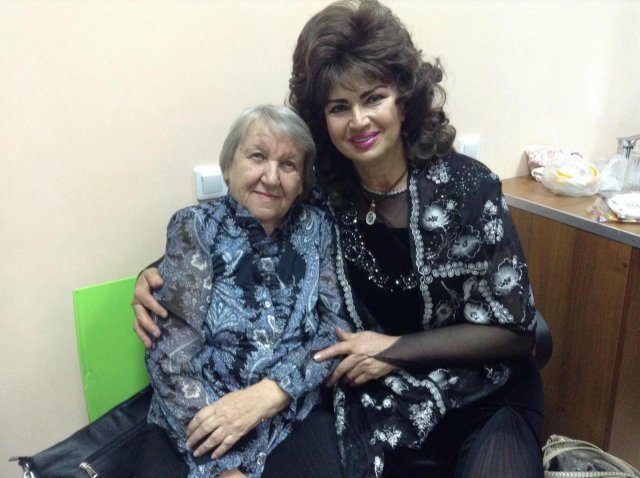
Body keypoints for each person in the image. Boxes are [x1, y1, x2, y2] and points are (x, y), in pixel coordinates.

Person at [133, 1, 544, 477]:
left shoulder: (468, 187)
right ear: (321, 118)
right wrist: (156, 273)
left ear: (403, 99)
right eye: (338, 107)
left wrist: (391, 349)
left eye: (374, 98)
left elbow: (516, 331)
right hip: (383, 403)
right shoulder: (323, 195)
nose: (359, 121)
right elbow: (242, 233)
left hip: (484, 392)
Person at [137, 104, 350, 478]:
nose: (271, 177)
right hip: (196, 418)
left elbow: (334, 330)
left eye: (288, 165)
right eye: (257, 157)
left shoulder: (316, 227)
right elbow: (170, 360)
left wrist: (275, 391)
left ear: (302, 181)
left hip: (290, 414)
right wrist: (222, 467)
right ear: (227, 167)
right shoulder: (195, 229)